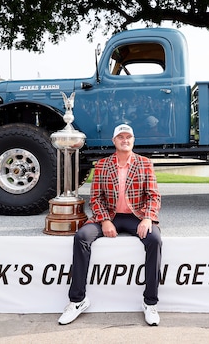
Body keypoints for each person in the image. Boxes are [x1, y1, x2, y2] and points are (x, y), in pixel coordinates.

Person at [59, 124, 162, 326]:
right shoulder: (103, 165)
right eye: (121, 137)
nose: (125, 140)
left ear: (133, 140)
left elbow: (153, 196)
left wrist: (148, 218)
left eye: (128, 137)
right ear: (114, 141)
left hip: (136, 216)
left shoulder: (145, 163)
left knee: (155, 239)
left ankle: (150, 302)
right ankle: (77, 300)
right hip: (110, 215)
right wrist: (105, 220)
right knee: (81, 237)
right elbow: (96, 198)